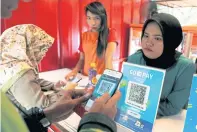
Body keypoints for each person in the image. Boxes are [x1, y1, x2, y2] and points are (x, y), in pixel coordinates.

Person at [127, 13, 196, 117]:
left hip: (167, 122)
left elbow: (172, 107)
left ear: (170, 41)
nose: (148, 43)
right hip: (131, 117)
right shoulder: (135, 59)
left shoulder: (184, 67)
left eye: (158, 38)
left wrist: (140, 110)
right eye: (146, 35)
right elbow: (125, 93)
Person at [65, 1, 118, 80]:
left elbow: (108, 59)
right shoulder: (84, 35)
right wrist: (74, 71)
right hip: (86, 78)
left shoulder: (110, 33)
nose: (92, 23)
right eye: (89, 18)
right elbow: (82, 59)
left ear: (102, 18)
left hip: (102, 78)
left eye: (96, 18)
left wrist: (109, 79)